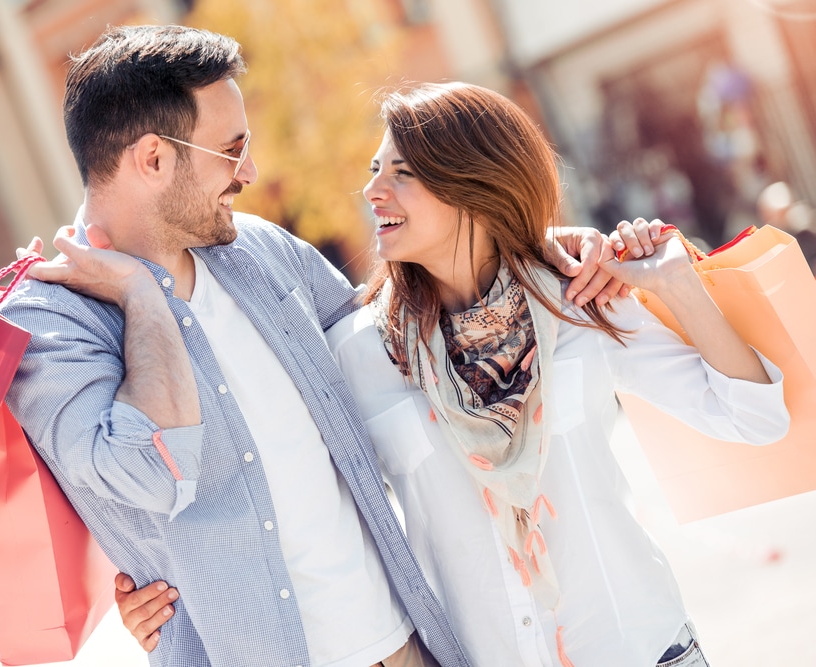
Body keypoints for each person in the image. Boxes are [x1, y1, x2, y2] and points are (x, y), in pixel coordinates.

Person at [4, 25, 621, 667]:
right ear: (154, 159)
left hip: (401, 647)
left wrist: (538, 255)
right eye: (231, 147)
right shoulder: (52, 323)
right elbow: (147, 475)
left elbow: (405, 339)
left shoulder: (262, 250)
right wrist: (142, 300)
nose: (250, 171)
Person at [116, 82, 790, 666]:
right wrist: (169, 588)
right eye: (375, 169)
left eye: (400, 173)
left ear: (475, 184)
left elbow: (754, 418)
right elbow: (278, 490)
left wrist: (673, 282)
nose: (372, 190)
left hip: (639, 647)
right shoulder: (358, 351)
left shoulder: (578, 303)